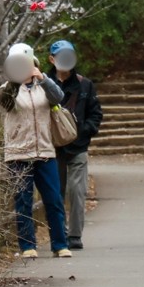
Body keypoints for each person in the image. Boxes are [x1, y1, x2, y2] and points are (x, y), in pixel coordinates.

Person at [0, 42, 71, 259]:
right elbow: (6, 104)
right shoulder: (7, 89)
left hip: (45, 152)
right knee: (23, 201)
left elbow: (59, 98)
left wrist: (43, 78)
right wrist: (14, 78)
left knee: (54, 200)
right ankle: (28, 245)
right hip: (19, 153)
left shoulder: (44, 87)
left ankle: (60, 244)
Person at [48, 39, 102, 251]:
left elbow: (95, 113)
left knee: (78, 192)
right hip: (53, 147)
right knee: (56, 192)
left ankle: (75, 235)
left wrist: (84, 131)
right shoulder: (44, 83)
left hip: (78, 147)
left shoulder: (85, 85)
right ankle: (59, 233)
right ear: (52, 59)